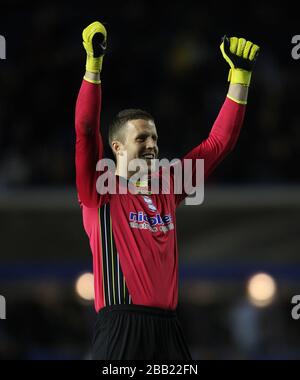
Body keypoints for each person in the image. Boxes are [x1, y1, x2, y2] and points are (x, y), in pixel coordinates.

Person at [75, 21, 260, 360]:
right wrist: (93, 66)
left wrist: (240, 79)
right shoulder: (99, 191)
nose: (151, 146)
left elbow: (219, 144)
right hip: (121, 327)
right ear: (116, 147)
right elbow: (86, 130)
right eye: (141, 138)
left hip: (168, 329)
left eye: (155, 139)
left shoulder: (167, 187)